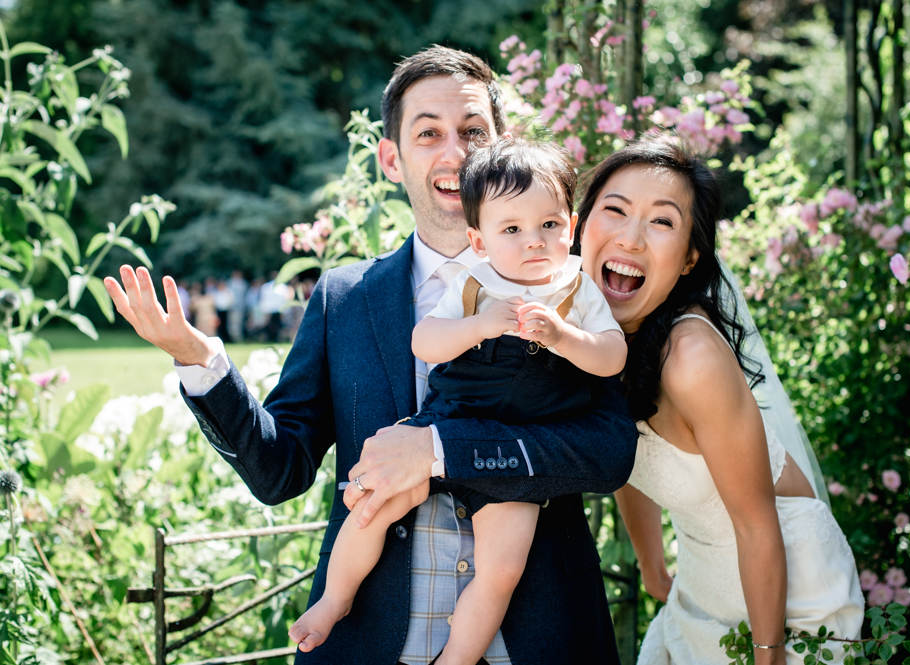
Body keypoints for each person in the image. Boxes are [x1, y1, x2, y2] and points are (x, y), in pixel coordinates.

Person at [103, 46, 637, 665]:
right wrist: (200, 362)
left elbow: (609, 452)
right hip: (373, 647)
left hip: (539, 641)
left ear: (499, 147)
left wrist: (440, 451)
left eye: (472, 132)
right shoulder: (344, 299)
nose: (453, 152)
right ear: (392, 158)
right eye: (428, 134)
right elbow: (281, 470)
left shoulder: (564, 287)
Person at [288, 138, 627, 663]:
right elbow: (426, 342)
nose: (534, 242)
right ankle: (335, 599)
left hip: (518, 454)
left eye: (550, 226)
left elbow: (611, 356)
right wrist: (476, 326)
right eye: (512, 229)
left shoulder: (577, 289)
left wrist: (565, 337)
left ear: (572, 225)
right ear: (481, 239)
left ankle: (457, 658)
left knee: (501, 569)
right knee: (375, 502)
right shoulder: (475, 282)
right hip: (452, 414)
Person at [575, 139, 864, 664]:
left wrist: (769, 654)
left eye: (661, 222)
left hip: (790, 600)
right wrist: (650, 564)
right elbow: (624, 453)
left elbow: (758, 525)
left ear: (689, 259)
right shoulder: (584, 335)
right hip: (702, 589)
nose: (631, 238)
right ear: (580, 223)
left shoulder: (692, 359)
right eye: (614, 210)